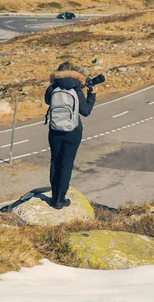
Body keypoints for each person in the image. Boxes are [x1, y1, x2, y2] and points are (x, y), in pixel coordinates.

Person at [45, 62, 96, 209]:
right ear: (74, 73)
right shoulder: (77, 90)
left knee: (55, 161)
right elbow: (85, 111)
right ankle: (60, 200)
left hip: (55, 131)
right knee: (66, 165)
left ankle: (54, 197)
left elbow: (47, 101)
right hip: (73, 132)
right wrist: (92, 94)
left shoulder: (52, 88)